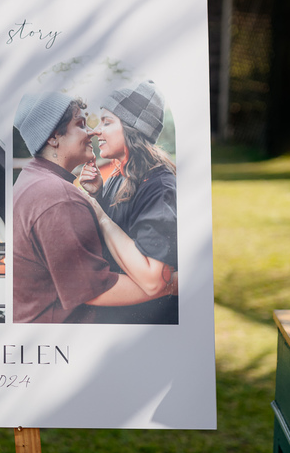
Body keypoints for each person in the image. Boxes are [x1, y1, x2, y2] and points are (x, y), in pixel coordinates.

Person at [11, 92, 171, 323]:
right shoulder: (58, 197)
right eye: (80, 124)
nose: (91, 132)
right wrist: (172, 285)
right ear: (54, 137)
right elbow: (94, 290)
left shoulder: (33, 179)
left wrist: (97, 197)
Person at [80, 81, 179, 325]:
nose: (96, 131)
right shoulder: (119, 177)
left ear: (133, 128)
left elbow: (154, 280)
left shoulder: (158, 187)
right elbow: (118, 242)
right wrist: (99, 196)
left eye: (107, 122)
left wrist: (100, 214)